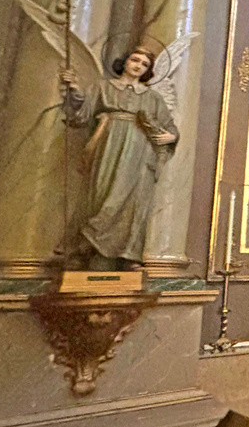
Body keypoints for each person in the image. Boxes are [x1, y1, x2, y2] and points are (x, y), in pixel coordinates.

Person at [59, 47, 178, 270]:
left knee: (134, 201)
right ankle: (84, 249)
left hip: (140, 150)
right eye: (135, 60)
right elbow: (82, 115)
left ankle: (128, 255)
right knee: (101, 194)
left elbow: (169, 127)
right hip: (109, 143)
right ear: (124, 62)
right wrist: (73, 89)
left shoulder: (152, 97)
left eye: (144, 64)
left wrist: (171, 136)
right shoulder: (103, 87)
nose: (138, 66)